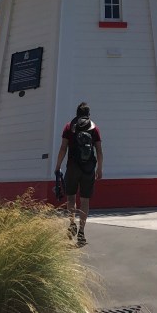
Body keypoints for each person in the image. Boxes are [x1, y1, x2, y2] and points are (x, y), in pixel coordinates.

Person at [54, 101, 103, 246]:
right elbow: (99, 151)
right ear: (88, 114)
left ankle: (72, 224)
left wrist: (58, 166)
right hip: (88, 168)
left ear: (76, 113)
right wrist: (99, 169)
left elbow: (63, 148)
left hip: (73, 167)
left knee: (71, 197)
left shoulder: (69, 127)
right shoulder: (94, 128)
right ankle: (81, 232)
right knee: (85, 200)